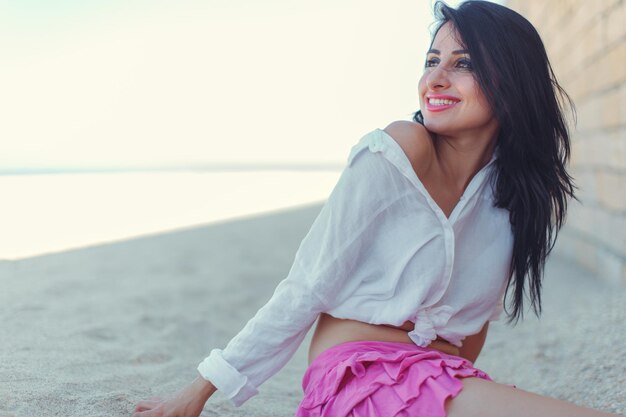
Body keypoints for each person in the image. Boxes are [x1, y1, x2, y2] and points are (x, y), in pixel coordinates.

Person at [132, 2, 622, 416]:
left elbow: (473, 326)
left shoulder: (513, 196)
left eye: (464, 63)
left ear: (514, 81)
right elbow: (307, 284)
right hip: (362, 377)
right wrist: (197, 393)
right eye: (432, 60)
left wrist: (469, 384)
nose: (436, 77)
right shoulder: (399, 150)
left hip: (443, 381)